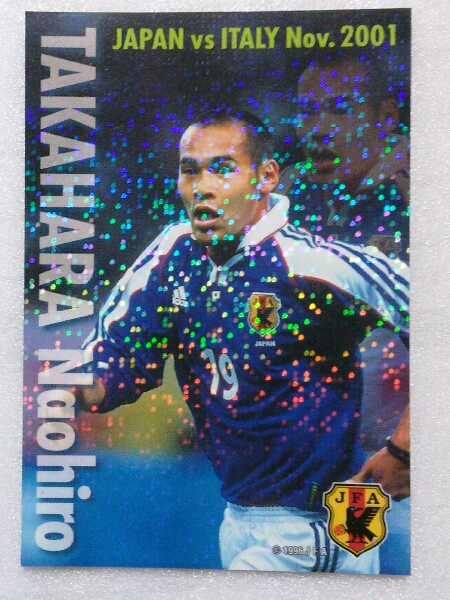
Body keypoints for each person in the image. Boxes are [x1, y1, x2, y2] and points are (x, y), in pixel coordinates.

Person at [77, 110, 409, 573]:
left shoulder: (313, 264)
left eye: (223, 169)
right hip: (238, 518)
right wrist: (68, 387)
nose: (203, 187)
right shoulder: (174, 255)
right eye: (190, 170)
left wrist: (405, 450)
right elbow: (117, 360)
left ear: (266, 177)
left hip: (321, 523)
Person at [280, 51, 410, 456]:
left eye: (339, 110)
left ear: (386, 117)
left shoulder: (426, 189)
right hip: (308, 444)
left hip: (405, 452)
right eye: (307, 113)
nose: (317, 130)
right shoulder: (284, 196)